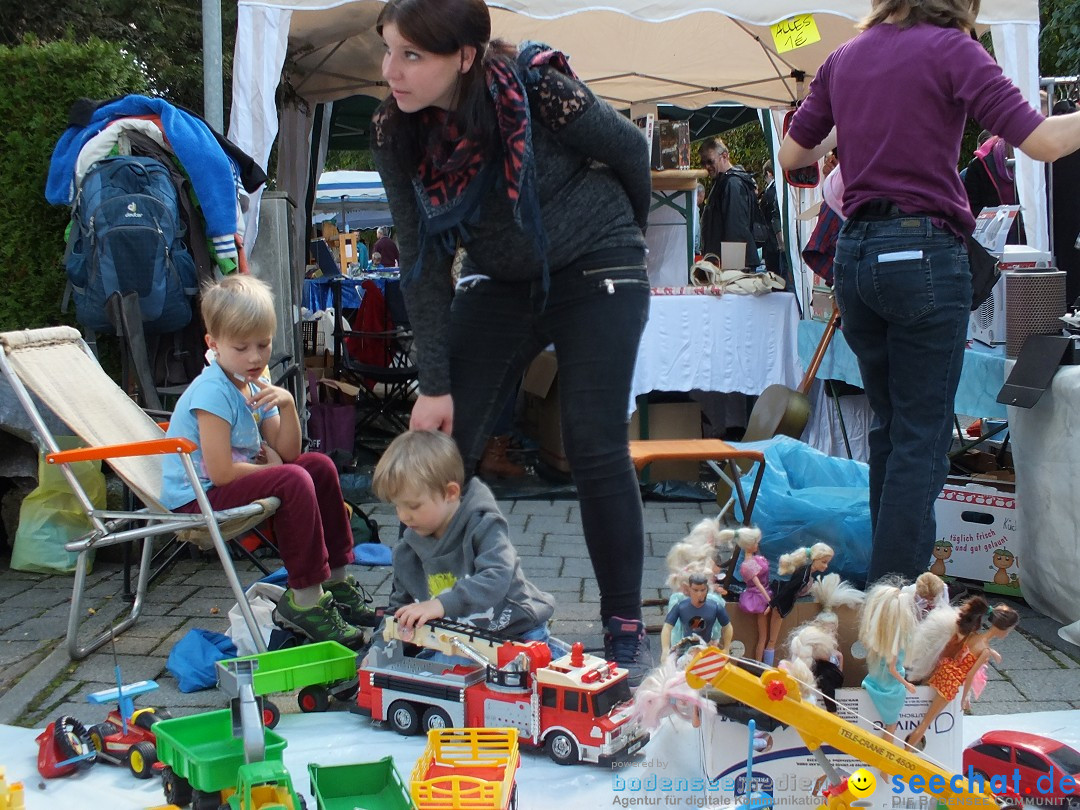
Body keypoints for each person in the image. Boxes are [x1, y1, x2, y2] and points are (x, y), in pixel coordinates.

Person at [372, 0, 654, 680]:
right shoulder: (396, 131)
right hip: (501, 276)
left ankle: (623, 628)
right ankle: (413, 610)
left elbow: (629, 150)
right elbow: (421, 264)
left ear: (464, 55)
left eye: (412, 55)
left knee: (591, 441)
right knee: (446, 444)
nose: (392, 71)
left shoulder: (538, 88)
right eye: (387, 50)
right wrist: (434, 384)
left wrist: (624, 242)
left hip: (597, 262)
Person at [778, 0, 1080, 584]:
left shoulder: (843, 59)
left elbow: (794, 154)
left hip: (856, 258)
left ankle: (884, 589)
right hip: (923, 256)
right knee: (920, 436)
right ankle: (894, 600)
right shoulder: (952, 50)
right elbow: (1040, 141)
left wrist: (862, 119)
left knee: (892, 431)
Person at [158, 275, 372, 649]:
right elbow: (222, 472)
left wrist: (287, 405)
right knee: (292, 478)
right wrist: (274, 469)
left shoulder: (252, 382)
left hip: (230, 483)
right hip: (199, 496)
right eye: (242, 347)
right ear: (213, 344)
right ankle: (304, 600)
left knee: (317, 466)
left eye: (264, 343)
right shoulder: (212, 392)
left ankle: (336, 581)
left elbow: (288, 451)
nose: (256, 357)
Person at [370, 429, 557, 649]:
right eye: (397, 505)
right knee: (427, 676)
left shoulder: (484, 525)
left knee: (531, 677)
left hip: (518, 634)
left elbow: (496, 576)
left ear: (450, 492)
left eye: (413, 505)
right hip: (456, 644)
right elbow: (399, 610)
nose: (403, 516)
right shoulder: (406, 551)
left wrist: (440, 604)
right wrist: (379, 648)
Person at [699, 137, 763, 269]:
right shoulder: (726, 182)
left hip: (733, 263)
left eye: (710, 161)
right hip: (728, 261)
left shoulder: (732, 183)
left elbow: (736, 227)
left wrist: (732, 266)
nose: (707, 167)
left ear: (725, 156)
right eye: (703, 163)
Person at [660, 572, 732, 658]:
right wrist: (665, 650)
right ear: (689, 589)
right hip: (685, 650)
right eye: (695, 590)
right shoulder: (681, 607)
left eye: (702, 590)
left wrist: (726, 648)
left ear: (707, 589)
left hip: (706, 648)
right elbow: (667, 627)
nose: (699, 594)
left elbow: (727, 627)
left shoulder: (715, 607)